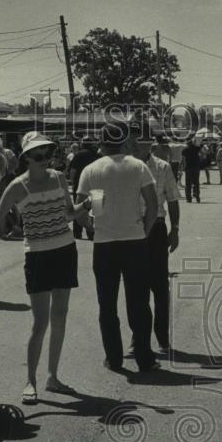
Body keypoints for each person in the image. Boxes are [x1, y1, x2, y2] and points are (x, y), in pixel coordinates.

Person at [0, 132, 87, 405]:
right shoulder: (18, 186)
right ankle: (31, 380)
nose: (45, 160)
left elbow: (67, 214)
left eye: (48, 154)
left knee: (61, 316)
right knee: (40, 322)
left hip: (65, 250)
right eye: (38, 156)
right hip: (38, 255)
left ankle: (52, 377)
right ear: (26, 158)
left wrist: (86, 206)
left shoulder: (59, 178)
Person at [76, 121, 160, 372]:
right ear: (124, 141)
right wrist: (144, 232)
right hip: (134, 240)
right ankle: (144, 357)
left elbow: (80, 209)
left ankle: (113, 358)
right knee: (139, 301)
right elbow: (153, 205)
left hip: (104, 242)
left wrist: (92, 227)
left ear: (101, 143)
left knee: (107, 303)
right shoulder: (138, 166)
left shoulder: (90, 170)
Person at [131, 133, 181, 354]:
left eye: (139, 143)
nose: (135, 147)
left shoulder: (162, 167)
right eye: (133, 143)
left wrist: (175, 229)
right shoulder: (127, 168)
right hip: (132, 229)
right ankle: (138, 338)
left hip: (157, 229)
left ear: (148, 145)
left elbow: (172, 199)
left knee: (159, 286)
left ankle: (162, 339)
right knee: (135, 287)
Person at [67, 140, 101, 240]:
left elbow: (73, 170)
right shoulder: (97, 155)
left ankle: (77, 232)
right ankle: (92, 232)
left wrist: (72, 182)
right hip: (95, 184)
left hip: (80, 185)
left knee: (79, 207)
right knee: (95, 208)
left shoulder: (78, 155)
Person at [182, 138, 203, 203]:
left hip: (188, 167)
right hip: (196, 167)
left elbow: (183, 159)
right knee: (196, 182)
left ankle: (188, 198)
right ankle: (197, 196)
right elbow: (202, 154)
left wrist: (183, 167)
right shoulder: (197, 148)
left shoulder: (185, 150)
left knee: (188, 183)